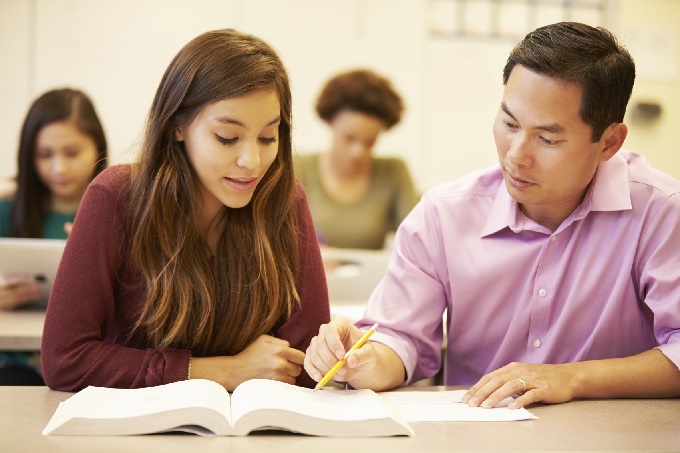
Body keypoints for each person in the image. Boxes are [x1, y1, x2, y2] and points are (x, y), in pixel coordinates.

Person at [304, 22, 680, 408]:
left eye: (548, 139)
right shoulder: (443, 215)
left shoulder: (659, 213)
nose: (517, 154)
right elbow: (401, 339)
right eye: (509, 124)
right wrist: (361, 362)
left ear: (610, 142)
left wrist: (572, 377)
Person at [40, 29, 331, 391]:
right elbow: (65, 361)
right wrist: (224, 371)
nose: (252, 161)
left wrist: (334, 353)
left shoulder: (284, 200)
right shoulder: (115, 198)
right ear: (178, 126)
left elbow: (304, 366)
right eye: (227, 137)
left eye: (268, 137)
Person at [0, 88, 107, 385]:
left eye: (72, 153)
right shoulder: (7, 209)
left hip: (89, 357)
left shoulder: (121, 209)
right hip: (16, 361)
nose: (59, 168)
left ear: (97, 147)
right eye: (44, 155)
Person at [296, 69, 419, 250]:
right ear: (330, 122)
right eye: (349, 138)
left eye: (370, 142)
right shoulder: (298, 168)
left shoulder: (393, 172)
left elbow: (417, 240)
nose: (358, 152)